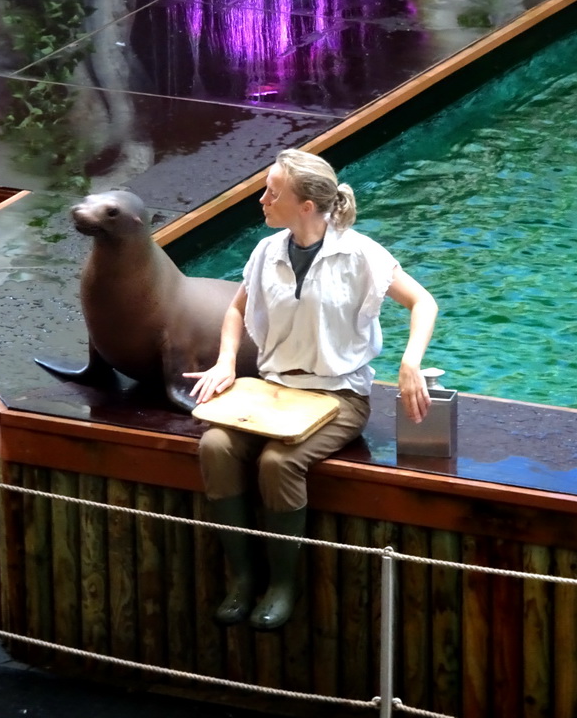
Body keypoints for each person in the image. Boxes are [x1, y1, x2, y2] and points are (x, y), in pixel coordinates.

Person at [184, 148, 438, 631]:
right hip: (273, 392)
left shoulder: (361, 253)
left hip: (338, 397)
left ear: (305, 205)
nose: (261, 199)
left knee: (279, 462)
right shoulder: (265, 252)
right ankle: (242, 577)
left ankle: (283, 583)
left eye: (272, 192)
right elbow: (236, 310)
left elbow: (422, 302)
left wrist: (410, 362)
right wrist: (224, 362)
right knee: (215, 445)